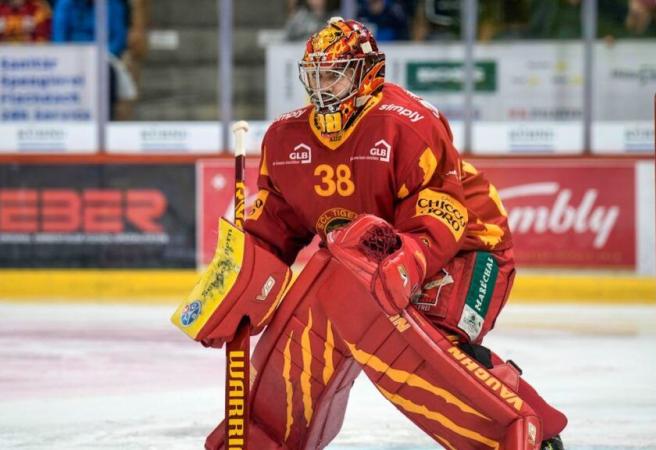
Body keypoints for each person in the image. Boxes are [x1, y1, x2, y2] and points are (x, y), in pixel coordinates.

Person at [184, 18, 568, 450]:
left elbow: (439, 217)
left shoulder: (409, 124)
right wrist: (237, 282)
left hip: (468, 249)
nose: (322, 88)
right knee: (310, 330)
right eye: (315, 76)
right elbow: (274, 226)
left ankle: (528, 430)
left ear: (368, 73)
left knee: (427, 339)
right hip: (361, 263)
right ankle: (267, 435)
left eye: (334, 74)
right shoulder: (286, 140)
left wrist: (407, 263)